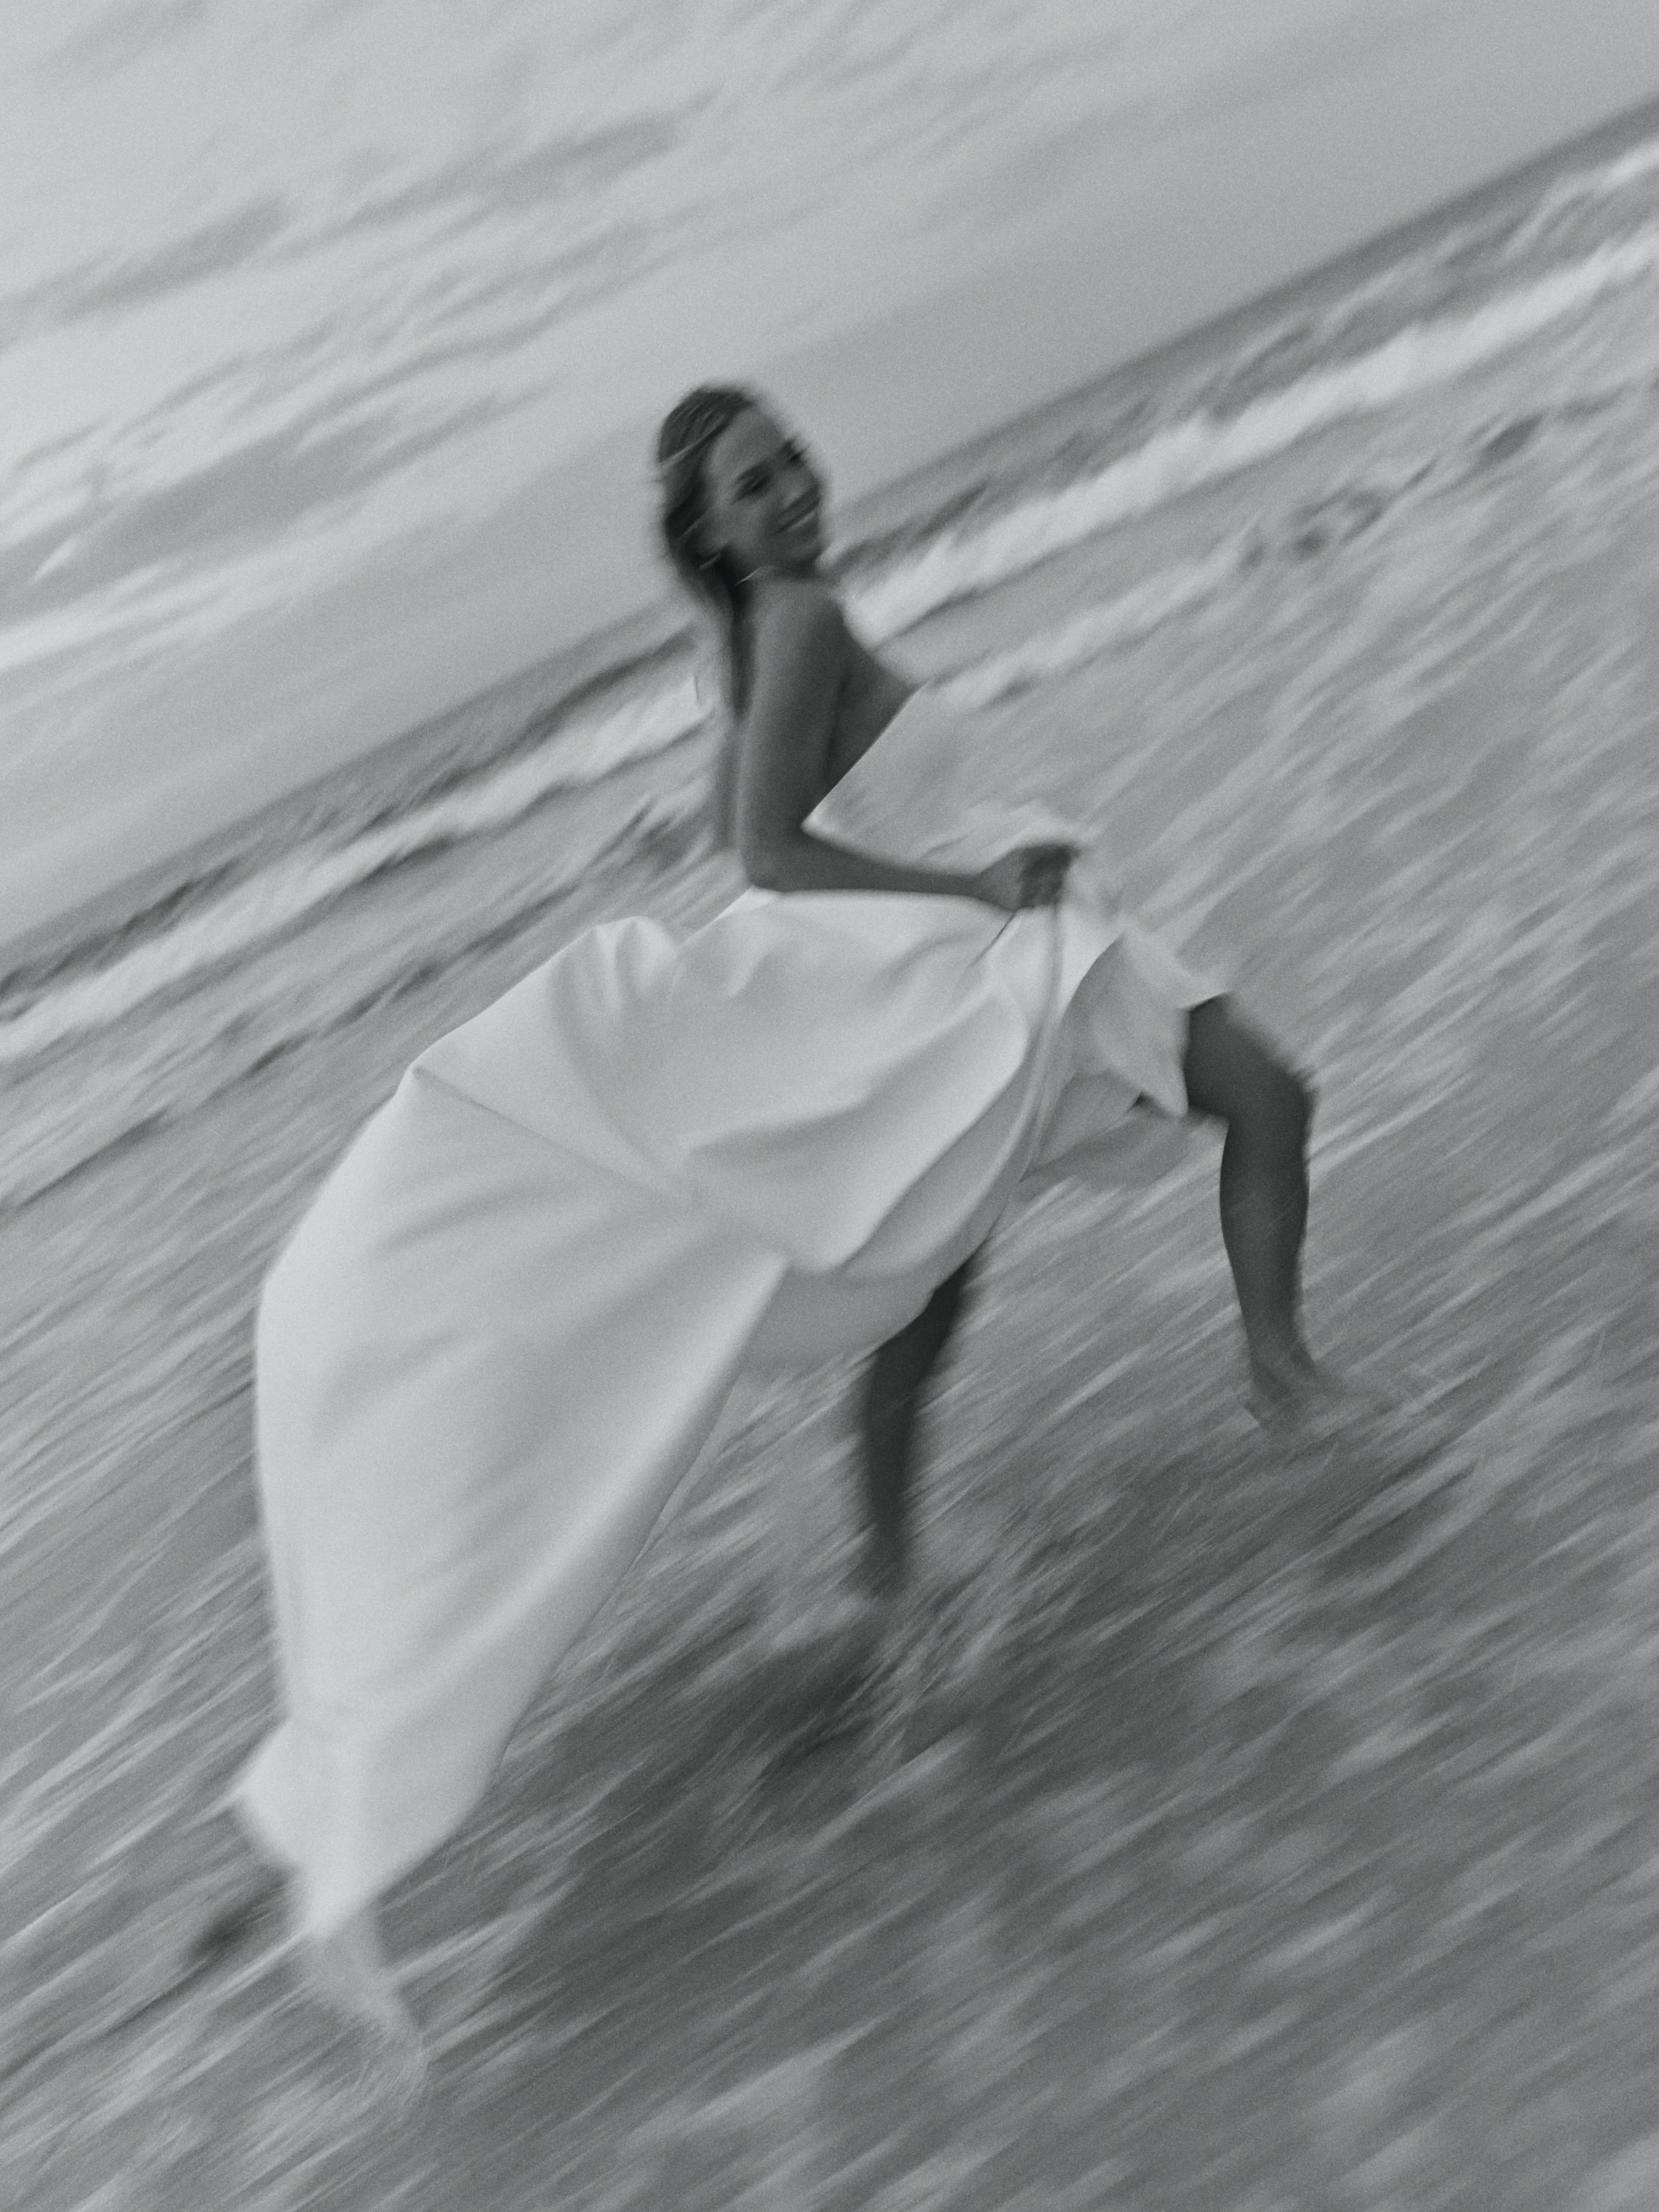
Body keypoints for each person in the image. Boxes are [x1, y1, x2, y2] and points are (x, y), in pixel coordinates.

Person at [212, 382, 1383, 2063]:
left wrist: (952, 890)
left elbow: (741, 830)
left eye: (792, 462)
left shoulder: (750, 632)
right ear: (712, 530)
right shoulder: (799, 611)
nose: (793, 490)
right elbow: (765, 852)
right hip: (968, 953)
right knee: (1262, 1097)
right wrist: (975, 892)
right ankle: (1278, 1372)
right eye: (754, 485)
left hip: (932, 976)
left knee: (924, 1292)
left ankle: (892, 1586)